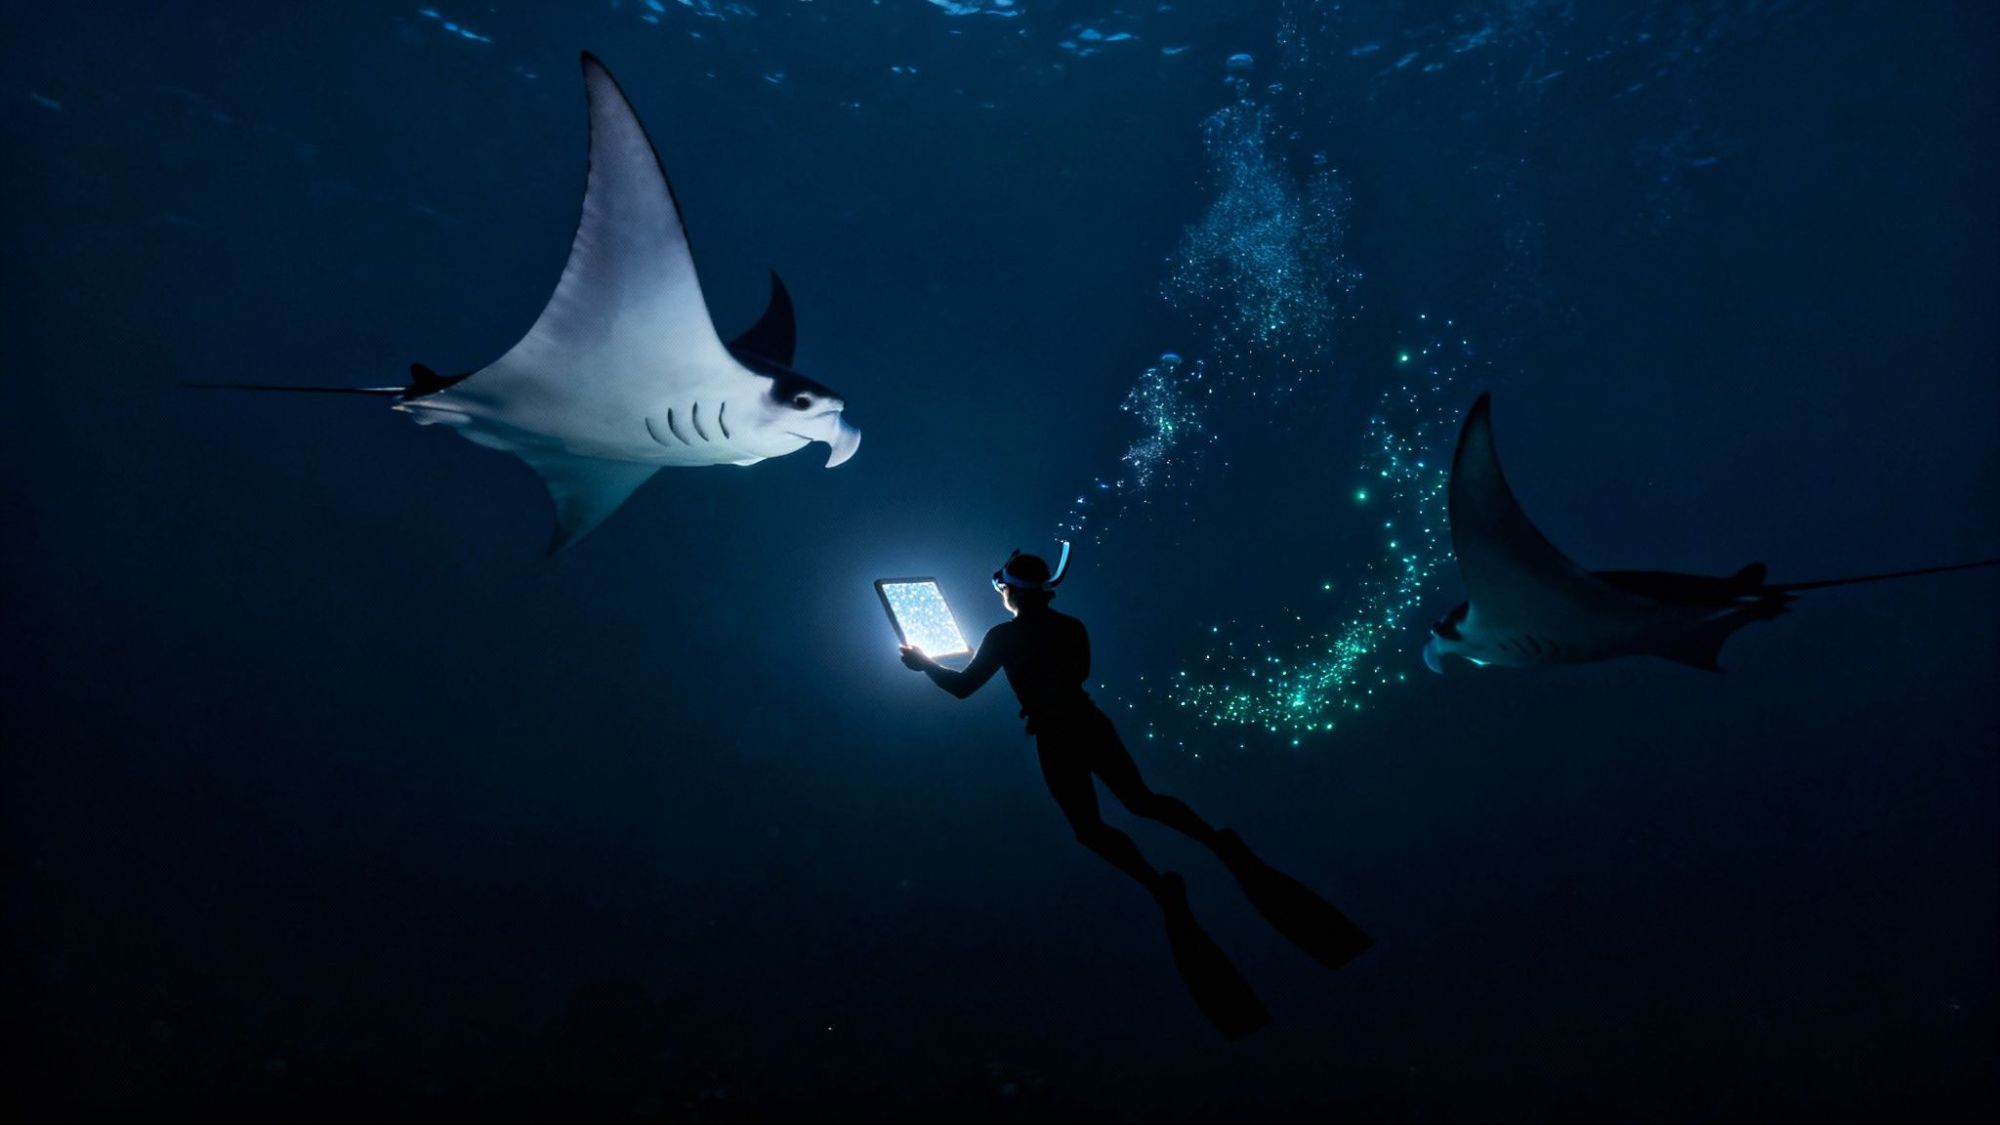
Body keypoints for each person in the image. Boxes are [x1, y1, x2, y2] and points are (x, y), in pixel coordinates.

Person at [899, 545, 1372, 1039]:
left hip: (1056, 736)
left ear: (1013, 590)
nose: (1000, 595)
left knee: (1089, 828)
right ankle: (1214, 840)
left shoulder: (1003, 635)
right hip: (1089, 722)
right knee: (1141, 799)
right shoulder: (1071, 626)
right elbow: (1079, 674)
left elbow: (962, 687)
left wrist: (924, 663)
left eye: (1002, 587)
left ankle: (1158, 882)